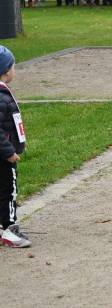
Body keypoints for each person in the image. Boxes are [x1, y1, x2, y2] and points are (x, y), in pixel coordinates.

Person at [0, 46, 30, 248]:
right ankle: (9, 228)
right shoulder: (1, 97)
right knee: (8, 191)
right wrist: (8, 151)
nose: (14, 70)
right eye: (13, 66)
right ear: (6, 70)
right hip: (4, 157)